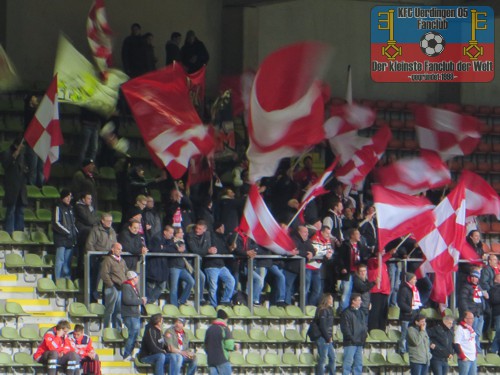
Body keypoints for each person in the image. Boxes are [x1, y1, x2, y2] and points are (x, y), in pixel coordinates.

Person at [85, 212, 117, 301]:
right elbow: (89, 244)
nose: (110, 222)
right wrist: (96, 255)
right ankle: (92, 300)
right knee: (95, 280)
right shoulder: (95, 230)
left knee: (107, 282)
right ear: (102, 221)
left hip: (109, 260)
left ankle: (105, 301)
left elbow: (115, 243)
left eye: (111, 221)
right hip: (98, 259)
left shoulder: (112, 231)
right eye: (108, 221)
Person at [203, 222, 236, 307]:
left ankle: (225, 300)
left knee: (231, 281)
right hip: (211, 266)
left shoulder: (223, 238)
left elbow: (224, 250)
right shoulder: (209, 235)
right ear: (219, 227)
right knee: (213, 287)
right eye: (222, 227)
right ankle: (213, 305)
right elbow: (205, 247)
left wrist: (231, 249)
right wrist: (208, 250)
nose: (224, 229)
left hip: (221, 266)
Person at [337, 228, 370, 313]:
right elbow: (340, 258)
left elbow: (365, 257)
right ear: (352, 235)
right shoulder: (345, 245)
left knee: (357, 293)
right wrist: (342, 268)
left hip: (357, 273)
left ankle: (355, 311)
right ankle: (343, 312)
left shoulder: (360, 246)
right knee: (346, 293)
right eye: (357, 234)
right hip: (348, 273)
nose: (359, 236)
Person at [2, 137, 28, 235]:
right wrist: (15, 154)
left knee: (20, 210)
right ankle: (8, 232)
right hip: (11, 187)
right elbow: (6, 164)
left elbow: (24, 167)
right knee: (11, 210)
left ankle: (19, 232)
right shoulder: (7, 153)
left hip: (21, 187)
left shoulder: (22, 156)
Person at [458, 269, 487, 352]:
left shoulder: (479, 287)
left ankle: (476, 351)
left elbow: (482, 299)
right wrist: (467, 311)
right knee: (472, 334)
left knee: (477, 334)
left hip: (480, 314)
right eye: (473, 277)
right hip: (471, 315)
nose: (474, 279)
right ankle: (475, 351)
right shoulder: (466, 287)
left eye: (476, 277)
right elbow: (462, 300)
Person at [121, 270, 147, 360]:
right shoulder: (127, 286)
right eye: (136, 277)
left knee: (134, 334)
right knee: (133, 334)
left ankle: (129, 354)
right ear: (132, 278)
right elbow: (127, 300)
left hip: (135, 314)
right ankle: (126, 354)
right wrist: (141, 301)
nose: (137, 278)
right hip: (130, 314)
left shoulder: (134, 287)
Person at [100, 242, 127, 328]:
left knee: (118, 310)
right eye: (118, 249)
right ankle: (107, 328)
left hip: (121, 287)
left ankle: (117, 329)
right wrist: (111, 284)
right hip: (112, 288)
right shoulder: (108, 260)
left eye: (121, 249)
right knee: (110, 309)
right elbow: (104, 274)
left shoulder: (122, 261)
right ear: (113, 249)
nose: (120, 251)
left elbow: (126, 272)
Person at [53, 189, 78, 280]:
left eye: (70, 197)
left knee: (67, 261)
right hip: (61, 239)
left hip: (70, 239)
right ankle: (58, 280)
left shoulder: (71, 208)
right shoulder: (58, 207)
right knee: (60, 260)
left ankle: (67, 279)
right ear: (63, 197)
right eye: (67, 197)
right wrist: (67, 232)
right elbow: (56, 223)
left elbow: (73, 223)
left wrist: (75, 233)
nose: (68, 199)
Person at [307, 294, 335, 375]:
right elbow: (322, 326)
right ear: (327, 300)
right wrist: (328, 337)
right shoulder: (322, 310)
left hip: (327, 337)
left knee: (332, 358)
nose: (332, 300)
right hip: (322, 337)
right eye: (331, 298)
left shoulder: (330, 310)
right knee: (323, 358)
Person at [340, 293, 367, 375]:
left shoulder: (361, 312)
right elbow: (345, 328)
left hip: (359, 342)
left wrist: (364, 338)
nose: (360, 302)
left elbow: (364, 326)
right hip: (350, 343)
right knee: (347, 364)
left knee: (358, 364)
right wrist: (352, 338)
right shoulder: (346, 313)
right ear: (353, 301)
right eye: (358, 300)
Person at [146, 225, 173, 304]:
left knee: (162, 286)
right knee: (150, 286)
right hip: (154, 266)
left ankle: (149, 301)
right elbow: (153, 249)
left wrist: (163, 248)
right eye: (170, 233)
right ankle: (147, 303)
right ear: (165, 232)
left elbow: (172, 250)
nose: (172, 235)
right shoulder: (156, 238)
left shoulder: (170, 241)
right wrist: (164, 248)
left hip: (163, 268)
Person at [397, 272, 423, 354]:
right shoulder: (404, 289)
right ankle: (402, 351)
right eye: (414, 279)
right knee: (404, 335)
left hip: (414, 316)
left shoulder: (414, 289)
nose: (416, 280)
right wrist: (410, 310)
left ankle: (410, 351)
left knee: (412, 336)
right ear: (410, 279)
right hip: (407, 316)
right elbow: (401, 302)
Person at [205, 309, 236, 375]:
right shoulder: (225, 328)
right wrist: (235, 346)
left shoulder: (209, 329)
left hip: (211, 360)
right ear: (225, 319)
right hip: (222, 359)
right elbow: (229, 345)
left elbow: (205, 346)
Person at [488, 273, 500, 354]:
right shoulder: (494, 288)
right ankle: (493, 349)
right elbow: (494, 300)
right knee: (499, 331)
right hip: (498, 313)